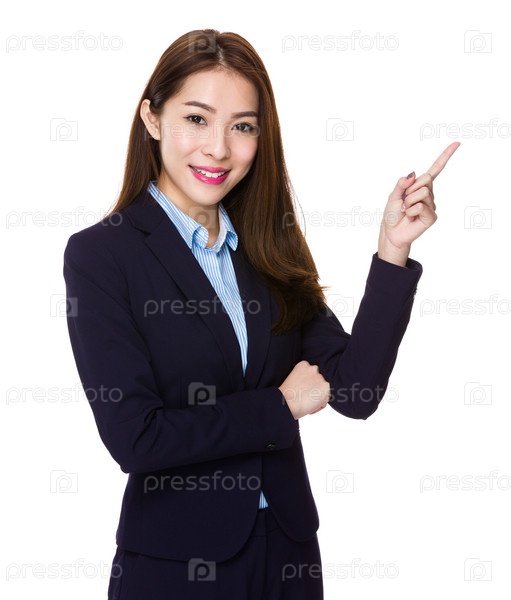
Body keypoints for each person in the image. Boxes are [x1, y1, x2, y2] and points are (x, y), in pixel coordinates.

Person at [63, 28, 459, 600]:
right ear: (152, 118)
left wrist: (393, 250)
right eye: (196, 119)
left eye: (242, 126)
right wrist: (280, 405)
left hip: (288, 554)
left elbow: (355, 392)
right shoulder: (103, 255)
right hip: (178, 564)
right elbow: (136, 439)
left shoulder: (270, 243)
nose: (218, 149)